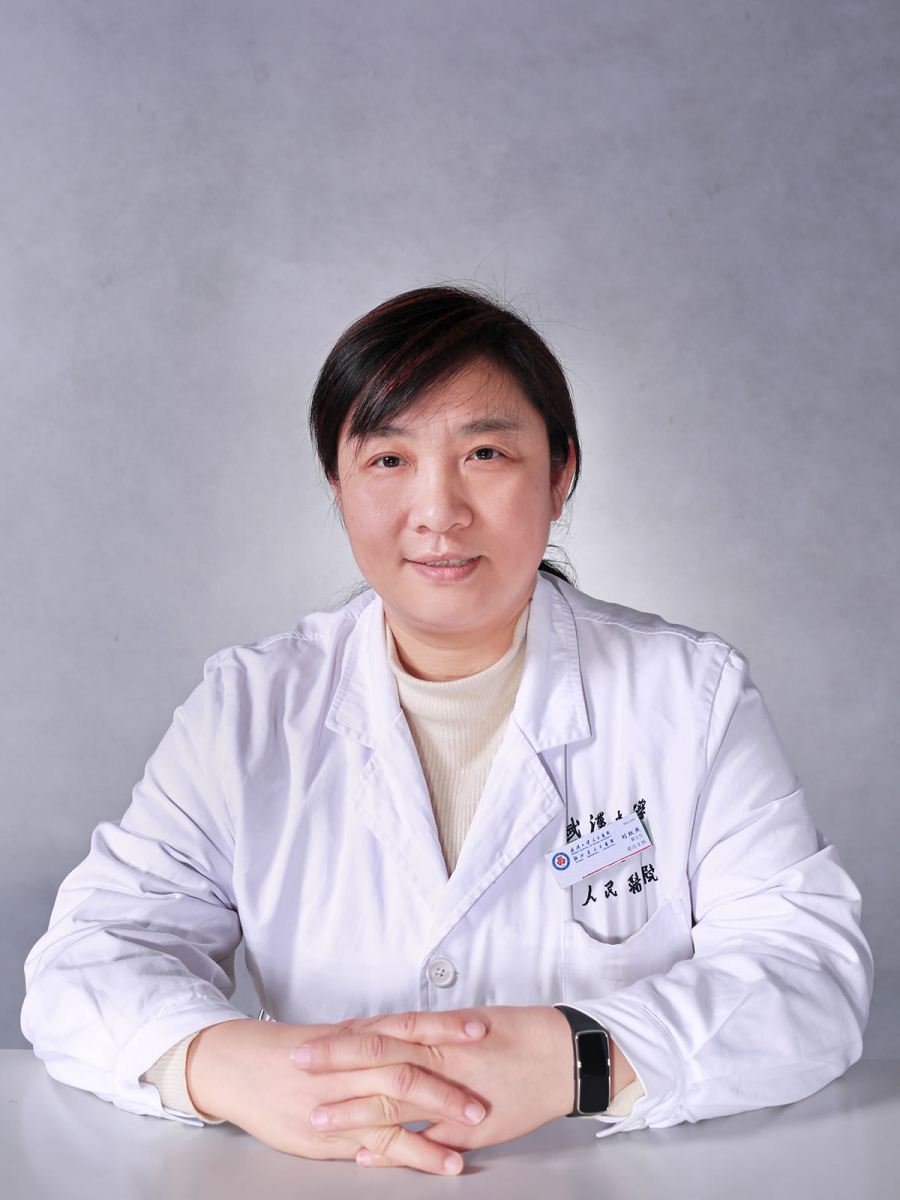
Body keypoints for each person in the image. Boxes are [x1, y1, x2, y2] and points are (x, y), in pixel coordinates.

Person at [22, 285, 873, 1177]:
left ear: (560, 474)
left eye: (485, 453)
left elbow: (809, 973)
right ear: (338, 486)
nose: (438, 511)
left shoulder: (690, 696)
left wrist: (580, 1056)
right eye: (388, 459)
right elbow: (90, 956)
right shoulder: (248, 708)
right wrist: (223, 1065)